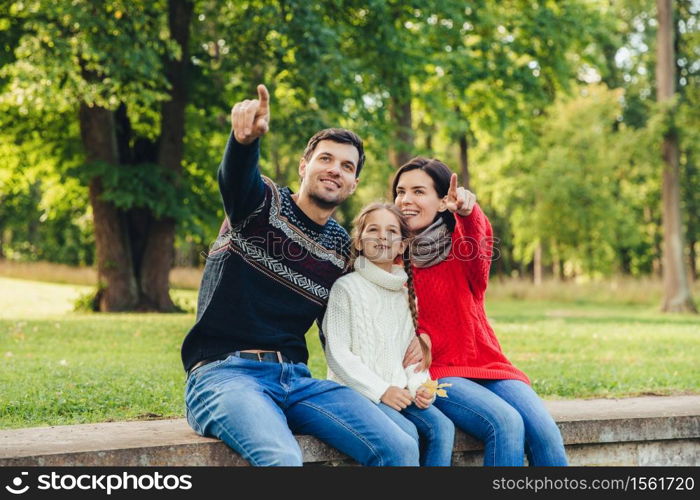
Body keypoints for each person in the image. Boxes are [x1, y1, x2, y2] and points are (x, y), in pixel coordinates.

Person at [181, 84, 420, 466]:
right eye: (326, 159)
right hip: (225, 376)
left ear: (354, 183)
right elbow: (235, 180)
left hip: (297, 381)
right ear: (303, 166)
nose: (335, 170)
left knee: (402, 447)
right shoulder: (260, 206)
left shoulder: (341, 246)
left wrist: (421, 336)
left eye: (347, 166)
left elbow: (372, 299)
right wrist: (243, 143)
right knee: (282, 459)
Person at [393, 157, 568, 466]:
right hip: (438, 372)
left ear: (442, 200)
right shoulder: (390, 257)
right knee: (505, 423)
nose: (406, 200)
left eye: (419, 191)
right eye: (400, 191)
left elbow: (480, 239)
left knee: (545, 433)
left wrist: (468, 210)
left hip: (489, 365)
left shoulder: (461, 249)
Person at [323, 202, 455, 466]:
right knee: (406, 434)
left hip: (398, 393)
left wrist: (419, 387)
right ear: (359, 242)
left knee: (442, 428)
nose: (383, 236)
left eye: (392, 231)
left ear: (402, 245)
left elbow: (411, 356)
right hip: (359, 393)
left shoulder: (405, 294)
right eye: (373, 229)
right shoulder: (346, 288)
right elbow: (338, 354)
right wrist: (382, 390)